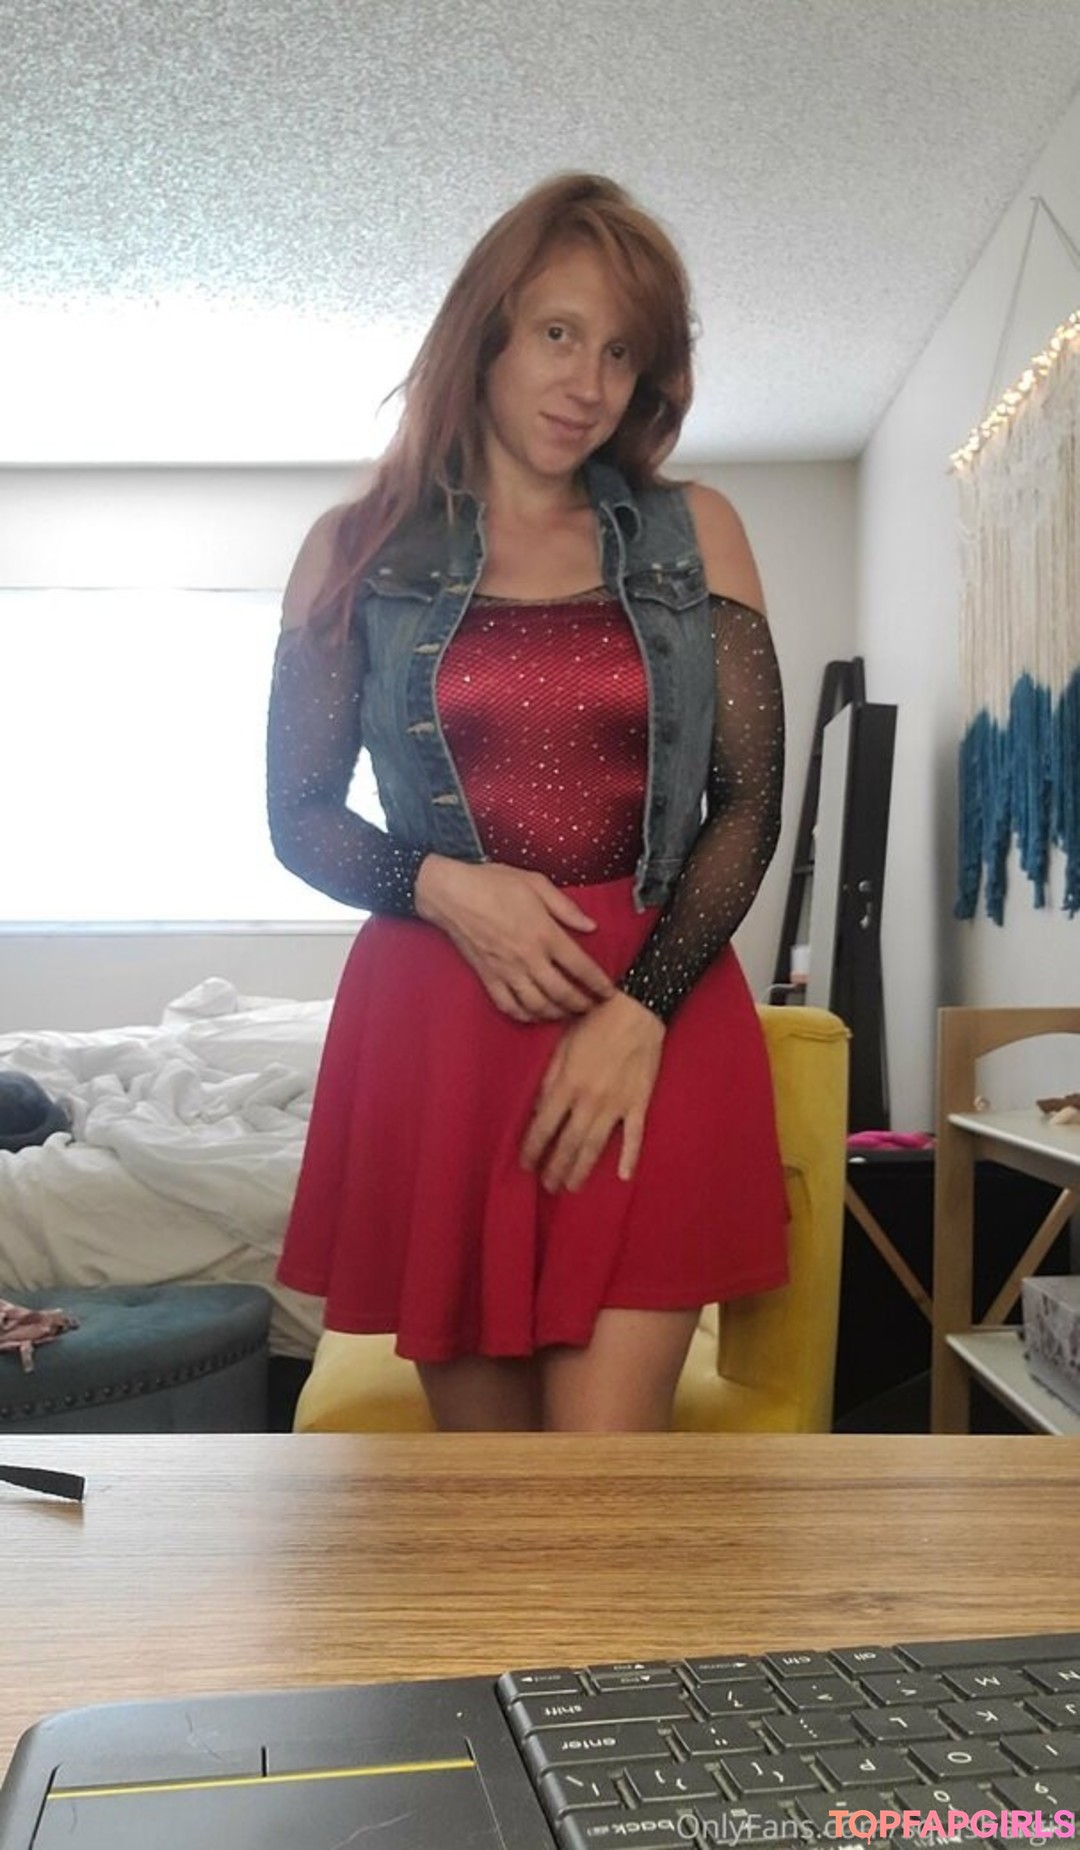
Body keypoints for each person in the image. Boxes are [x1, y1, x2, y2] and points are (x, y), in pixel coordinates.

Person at [267, 172, 789, 1433]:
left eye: (621, 352)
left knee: (602, 1483)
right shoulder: (355, 548)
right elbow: (301, 814)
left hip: (655, 1010)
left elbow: (749, 800)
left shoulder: (695, 530)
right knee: (490, 1496)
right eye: (560, 332)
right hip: (442, 1026)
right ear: (486, 332)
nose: (589, 381)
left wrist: (639, 1012)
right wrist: (444, 887)